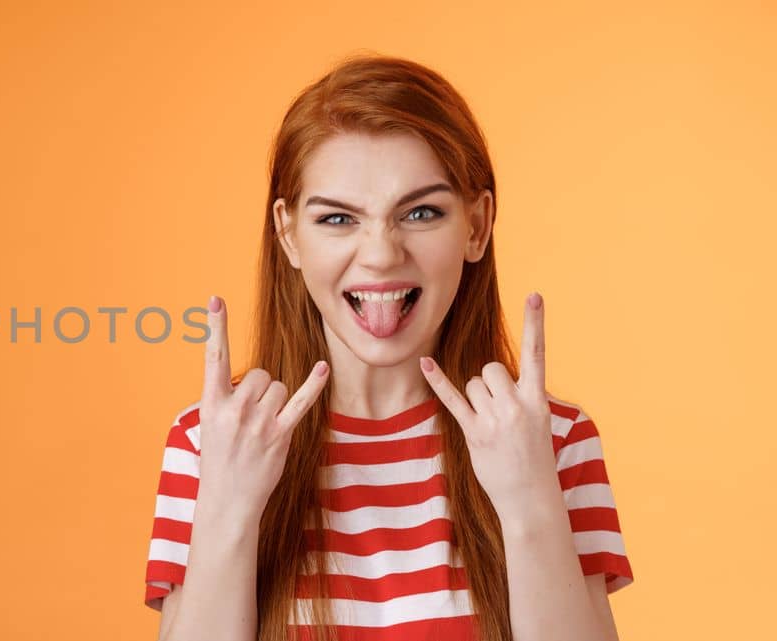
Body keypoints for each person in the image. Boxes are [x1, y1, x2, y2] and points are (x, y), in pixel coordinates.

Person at [141, 54, 633, 641]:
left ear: (476, 226)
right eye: (338, 219)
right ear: (289, 233)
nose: (380, 254)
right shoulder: (211, 442)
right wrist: (230, 508)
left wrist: (529, 505)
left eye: (421, 212)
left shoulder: (553, 440)